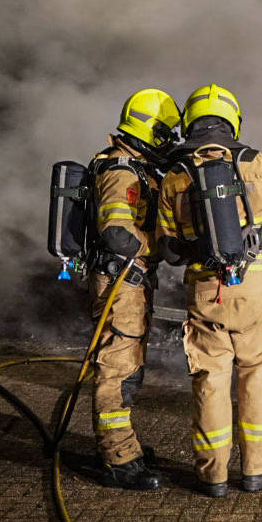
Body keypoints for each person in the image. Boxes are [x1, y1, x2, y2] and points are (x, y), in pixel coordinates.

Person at [156, 84, 262, 498]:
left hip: (207, 292)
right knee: (258, 379)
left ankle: (212, 476)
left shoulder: (175, 175)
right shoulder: (255, 162)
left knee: (210, 384)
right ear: (232, 120)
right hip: (258, 288)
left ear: (190, 121)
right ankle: (256, 472)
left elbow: (169, 249)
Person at [89, 87, 182, 491]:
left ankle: (124, 447)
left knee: (130, 367)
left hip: (129, 281)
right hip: (120, 283)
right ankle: (118, 460)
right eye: (165, 134)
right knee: (117, 369)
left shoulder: (134, 167)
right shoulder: (121, 171)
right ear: (150, 131)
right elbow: (115, 232)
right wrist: (155, 245)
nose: (168, 143)